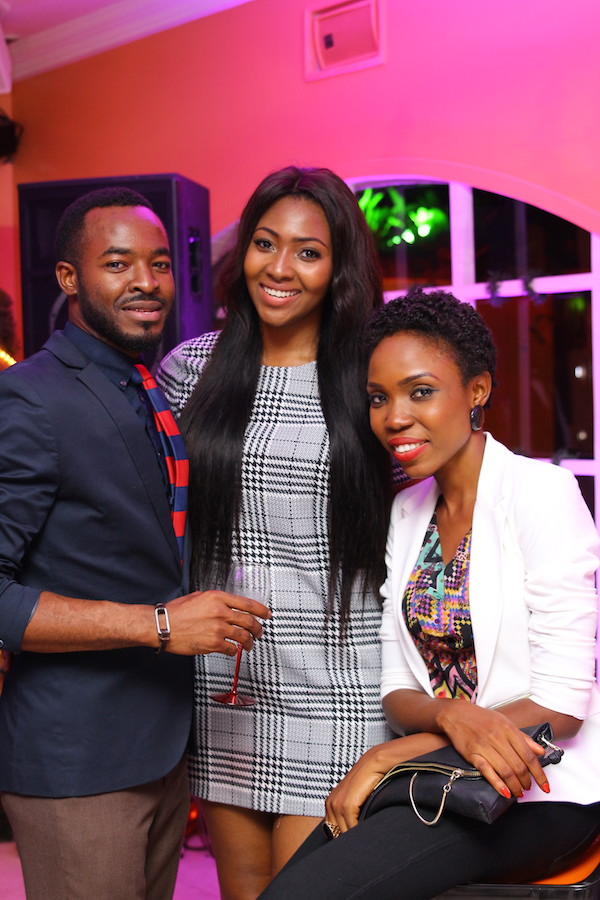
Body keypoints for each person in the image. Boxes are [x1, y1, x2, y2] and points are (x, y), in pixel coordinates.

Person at [257, 287, 600, 900]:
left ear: (477, 390)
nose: (394, 418)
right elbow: (398, 689)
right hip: (442, 775)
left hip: (539, 786)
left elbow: (563, 704)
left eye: (420, 391)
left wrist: (391, 756)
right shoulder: (408, 510)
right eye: (378, 398)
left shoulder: (540, 494)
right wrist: (448, 720)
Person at [0, 187, 268, 900]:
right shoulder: (31, 397)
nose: (146, 282)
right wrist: (159, 626)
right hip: (78, 758)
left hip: (162, 746)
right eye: (117, 263)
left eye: (159, 263)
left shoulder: (151, 386)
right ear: (68, 277)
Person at [157, 165, 393, 900]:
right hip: (229, 686)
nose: (280, 268)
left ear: (339, 269)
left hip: (339, 686)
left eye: (308, 252)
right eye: (265, 243)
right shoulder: (191, 370)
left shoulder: (370, 377)